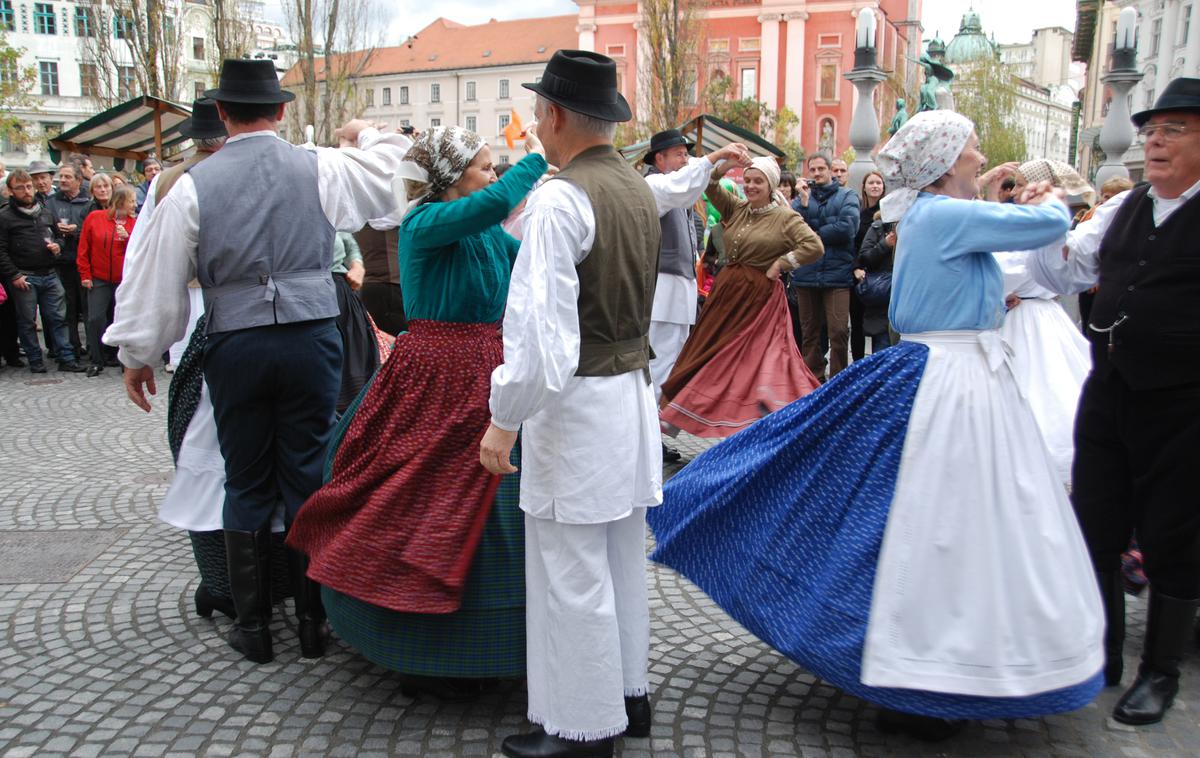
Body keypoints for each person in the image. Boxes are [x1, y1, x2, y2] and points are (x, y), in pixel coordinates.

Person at [647, 111, 1104, 742]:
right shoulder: (941, 215)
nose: (980, 158)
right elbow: (1049, 223)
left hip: (956, 373)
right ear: (946, 163)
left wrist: (995, 183)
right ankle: (925, 676)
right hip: (954, 380)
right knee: (945, 524)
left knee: (943, 520)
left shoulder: (925, 211)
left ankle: (929, 670)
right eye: (973, 149)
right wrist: (1044, 194)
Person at [103, 58, 411, 665]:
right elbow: (390, 172)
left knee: (244, 478)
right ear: (282, 110)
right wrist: (368, 130)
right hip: (312, 337)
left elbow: (155, 275)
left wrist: (138, 353)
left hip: (237, 341)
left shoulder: (193, 183)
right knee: (305, 473)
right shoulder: (319, 164)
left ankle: (254, 627)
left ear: (221, 113)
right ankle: (311, 622)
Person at [288, 125, 547, 699]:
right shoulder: (424, 222)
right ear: (449, 177)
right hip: (434, 373)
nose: (492, 175)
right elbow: (501, 201)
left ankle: (506, 641)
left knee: (496, 503)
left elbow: (530, 259)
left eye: (490, 166)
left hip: (491, 368)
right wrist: (541, 156)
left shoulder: (482, 233)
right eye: (483, 166)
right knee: (416, 494)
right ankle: (420, 647)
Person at [476, 49, 663, 758]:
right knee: (616, 556)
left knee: (572, 568)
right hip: (627, 395)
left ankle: (585, 729)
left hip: (580, 404)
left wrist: (503, 419)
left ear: (553, 116)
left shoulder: (560, 199)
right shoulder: (637, 188)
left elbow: (540, 340)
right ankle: (625, 692)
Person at [1027, 77, 1200, 726]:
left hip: (1185, 402)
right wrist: (1045, 228)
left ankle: (1160, 673)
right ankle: (1099, 651)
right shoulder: (1121, 209)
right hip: (1109, 390)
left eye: (1174, 129)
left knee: (1173, 537)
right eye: (1152, 130)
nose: (1154, 139)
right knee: (1095, 521)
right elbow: (1066, 270)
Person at [660, 157, 823, 438]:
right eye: (747, 180)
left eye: (757, 181)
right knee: (706, 353)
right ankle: (682, 412)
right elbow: (710, 185)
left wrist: (782, 264)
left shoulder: (785, 217)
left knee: (750, 357)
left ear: (771, 185)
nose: (750, 186)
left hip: (758, 298)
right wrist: (723, 164)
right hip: (726, 294)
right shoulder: (737, 208)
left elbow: (814, 246)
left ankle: (760, 415)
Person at [641, 128, 752, 459]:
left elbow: (693, 186)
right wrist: (717, 157)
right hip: (661, 293)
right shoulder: (653, 185)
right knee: (656, 367)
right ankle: (644, 438)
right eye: (678, 154)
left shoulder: (676, 188)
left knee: (668, 366)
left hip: (677, 292)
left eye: (686, 154)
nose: (685, 159)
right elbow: (685, 186)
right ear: (658, 159)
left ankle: (652, 435)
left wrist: (721, 163)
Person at [993, 159, 1093, 486]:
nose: (1017, 192)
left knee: (1041, 391)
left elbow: (1008, 273)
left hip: (1029, 317)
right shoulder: (1028, 224)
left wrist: (990, 290)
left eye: (1022, 184)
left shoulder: (1038, 228)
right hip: (1023, 314)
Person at [0, 170, 85, 373]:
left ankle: (66, 358)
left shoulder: (45, 211)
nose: (27, 191)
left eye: (29, 186)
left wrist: (57, 245)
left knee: (58, 317)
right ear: (11, 191)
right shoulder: (4, 216)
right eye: (20, 188)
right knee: (27, 321)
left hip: (49, 272)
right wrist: (14, 275)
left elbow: (59, 237)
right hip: (24, 274)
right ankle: (35, 359)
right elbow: (1, 250)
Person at [790, 152, 860, 379]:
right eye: (813, 169)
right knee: (809, 333)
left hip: (837, 275)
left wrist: (812, 235)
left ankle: (838, 379)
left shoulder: (847, 195)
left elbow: (847, 228)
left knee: (838, 331)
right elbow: (791, 228)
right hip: (806, 274)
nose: (817, 173)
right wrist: (802, 203)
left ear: (831, 170)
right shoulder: (801, 199)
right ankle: (814, 379)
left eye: (821, 168)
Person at [78, 185, 136, 377]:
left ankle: (123, 359)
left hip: (123, 280)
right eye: (131, 201)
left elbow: (138, 253)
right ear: (120, 202)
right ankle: (96, 359)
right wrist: (85, 274)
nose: (134, 205)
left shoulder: (133, 223)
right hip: (99, 278)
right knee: (95, 318)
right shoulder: (95, 218)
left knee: (122, 319)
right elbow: (84, 247)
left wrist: (127, 239)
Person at [46, 164, 92, 361]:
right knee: (67, 308)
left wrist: (76, 230)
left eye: (67, 177)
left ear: (78, 180)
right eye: (61, 176)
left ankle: (93, 347)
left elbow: (92, 231)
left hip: (84, 263)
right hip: (61, 262)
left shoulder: (88, 202)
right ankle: (72, 347)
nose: (62, 180)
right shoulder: (51, 203)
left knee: (88, 308)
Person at [851, 171, 886, 360]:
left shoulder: (888, 215)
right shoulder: (858, 214)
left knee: (879, 327)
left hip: (881, 276)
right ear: (864, 187)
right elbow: (852, 245)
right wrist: (855, 267)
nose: (875, 186)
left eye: (878, 183)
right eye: (871, 182)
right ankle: (857, 364)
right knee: (857, 323)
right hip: (859, 275)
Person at [853, 216, 896, 351]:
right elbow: (864, 259)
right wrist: (885, 244)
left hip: (905, 299)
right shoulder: (879, 227)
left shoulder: (916, 227)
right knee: (882, 348)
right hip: (882, 297)